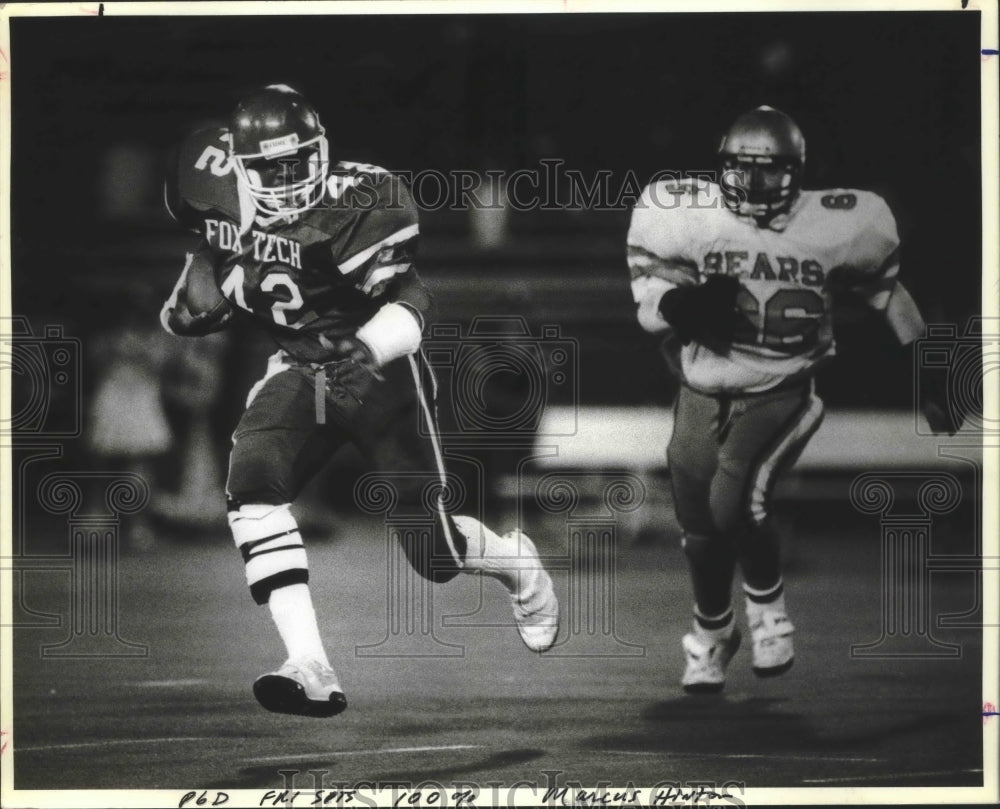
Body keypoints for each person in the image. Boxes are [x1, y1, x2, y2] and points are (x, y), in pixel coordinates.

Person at [159, 84, 559, 717]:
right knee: (252, 486)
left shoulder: (362, 200)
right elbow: (189, 304)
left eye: (297, 163)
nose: (286, 180)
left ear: (321, 151)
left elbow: (415, 302)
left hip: (379, 375)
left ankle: (516, 564)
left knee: (435, 557)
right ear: (239, 169)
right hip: (299, 370)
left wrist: (370, 345)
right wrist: (197, 283)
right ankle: (309, 663)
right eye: (269, 168)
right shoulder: (219, 200)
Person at [626, 106, 958, 693]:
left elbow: (888, 293)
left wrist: (927, 366)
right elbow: (652, 289)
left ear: (798, 171)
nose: (754, 183)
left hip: (780, 388)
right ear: (721, 165)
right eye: (742, 168)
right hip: (702, 387)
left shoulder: (834, 222)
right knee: (699, 527)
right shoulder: (688, 214)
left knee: (734, 500)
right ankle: (711, 633)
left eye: (770, 170)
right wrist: (681, 306)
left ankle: (769, 613)